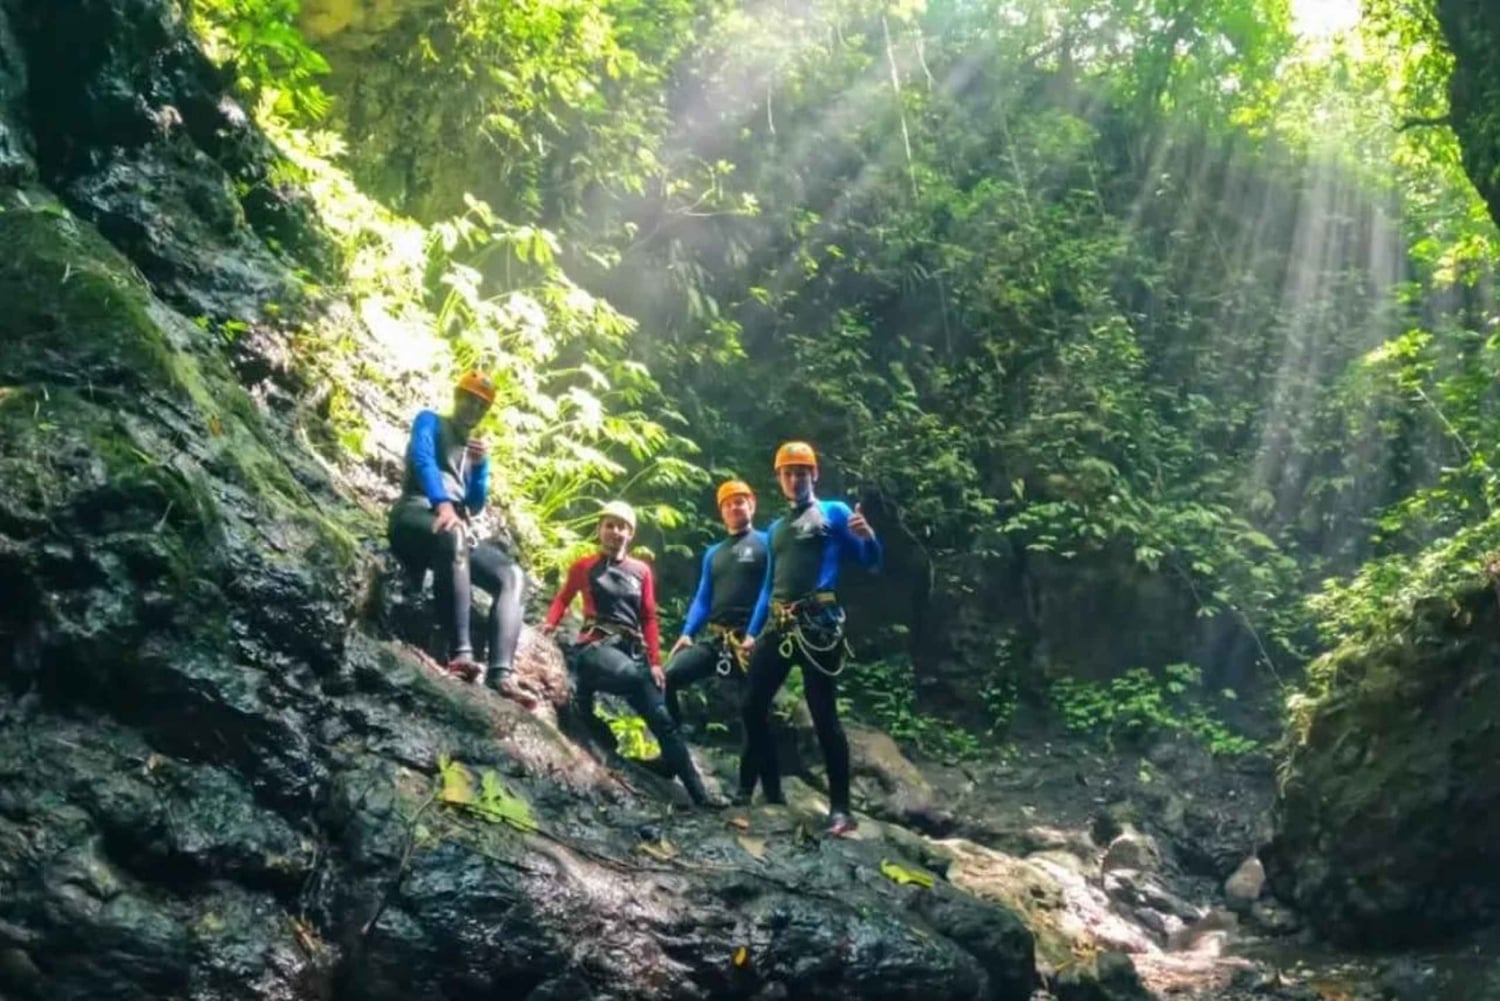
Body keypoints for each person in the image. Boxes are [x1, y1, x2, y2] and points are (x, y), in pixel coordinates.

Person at [737, 441, 881, 836]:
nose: (795, 478)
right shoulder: (776, 530)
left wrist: (869, 538)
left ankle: (840, 810)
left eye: (802, 471)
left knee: (823, 715)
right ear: (779, 479)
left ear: (814, 475)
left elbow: (870, 563)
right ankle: (765, 790)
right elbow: (768, 587)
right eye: (788, 472)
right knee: (751, 705)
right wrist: (751, 634)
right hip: (779, 625)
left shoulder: (833, 513)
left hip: (819, 625)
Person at [542, 501, 724, 809]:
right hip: (594, 649)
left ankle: (700, 795)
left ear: (631, 534)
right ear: (600, 529)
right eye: (610, 525)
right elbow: (563, 598)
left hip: (630, 655)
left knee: (664, 721)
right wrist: (548, 624)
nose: (615, 532)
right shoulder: (583, 566)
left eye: (622, 527)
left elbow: (649, 618)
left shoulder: (641, 571)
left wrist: (655, 662)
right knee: (635, 678)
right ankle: (583, 698)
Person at [388, 371, 536, 709]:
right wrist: (441, 504)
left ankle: (501, 674)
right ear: (457, 397)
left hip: (456, 525)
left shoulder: (474, 448)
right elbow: (422, 460)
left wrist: (480, 468)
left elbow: (475, 504)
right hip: (415, 512)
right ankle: (461, 655)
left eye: (481, 404)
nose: (473, 407)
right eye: (469, 398)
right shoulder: (430, 421)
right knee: (453, 533)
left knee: (512, 576)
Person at [663, 479, 768, 733]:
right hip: (716, 639)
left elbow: (770, 590)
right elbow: (703, 597)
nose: (734, 508)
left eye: (740, 502)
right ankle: (672, 753)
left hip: (751, 642)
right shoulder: (714, 553)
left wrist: (755, 633)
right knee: (667, 677)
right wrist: (688, 632)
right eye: (728, 505)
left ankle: (760, 771)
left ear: (751, 505)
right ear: (722, 512)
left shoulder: (767, 543)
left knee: (753, 712)